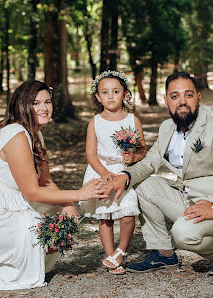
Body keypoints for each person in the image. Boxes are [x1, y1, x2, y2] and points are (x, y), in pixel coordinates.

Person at [0, 80, 106, 290]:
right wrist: (80, 193)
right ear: (23, 106)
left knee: (65, 215)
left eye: (48, 102)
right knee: (38, 226)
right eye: (36, 103)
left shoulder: (36, 133)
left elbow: (46, 181)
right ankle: (9, 261)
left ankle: (37, 256)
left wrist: (69, 206)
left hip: (10, 200)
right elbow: (32, 192)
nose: (44, 108)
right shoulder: (16, 135)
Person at [106, 71, 213, 275]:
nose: (182, 102)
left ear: (198, 97)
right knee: (141, 184)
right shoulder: (167, 128)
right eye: (175, 96)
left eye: (188, 95)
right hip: (191, 201)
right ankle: (164, 254)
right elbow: (150, 163)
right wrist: (124, 177)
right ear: (166, 101)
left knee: (183, 234)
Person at [79, 70, 147, 275]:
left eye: (115, 91)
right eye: (105, 92)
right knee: (105, 216)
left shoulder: (132, 120)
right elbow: (90, 154)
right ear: (98, 97)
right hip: (101, 171)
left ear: (125, 94)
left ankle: (121, 251)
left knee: (127, 213)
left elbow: (143, 149)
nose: (110, 96)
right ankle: (110, 255)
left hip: (123, 172)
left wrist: (133, 158)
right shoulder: (95, 122)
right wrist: (103, 172)